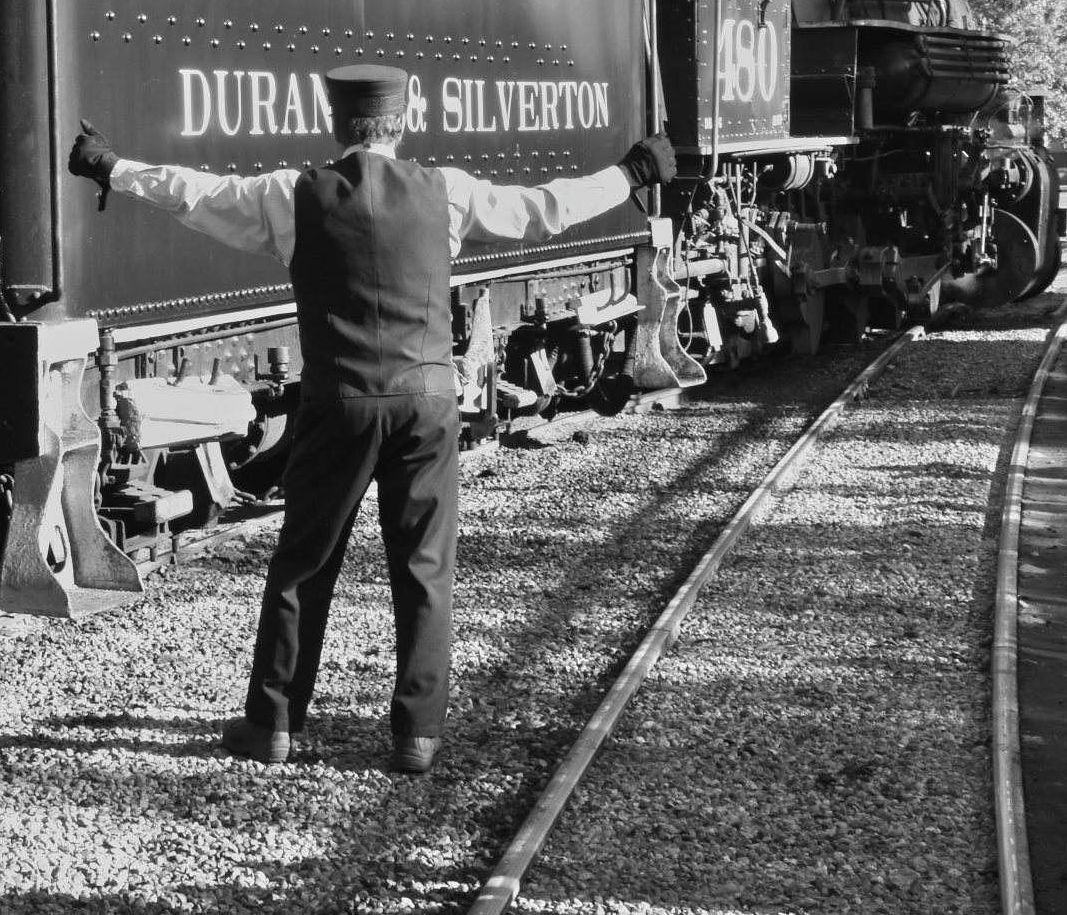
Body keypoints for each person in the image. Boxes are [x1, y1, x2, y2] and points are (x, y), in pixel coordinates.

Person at [68, 64, 673, 774]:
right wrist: (629, 173)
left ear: (336, 125)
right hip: (427, 403)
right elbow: (542, 208)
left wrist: (114, 167)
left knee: (305, 563)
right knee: (423, 569)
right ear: (400, 122)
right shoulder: (444, 190)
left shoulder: (290, 195)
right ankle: (416, 735)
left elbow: (194, 194)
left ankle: (273, 724)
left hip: (338, 403)